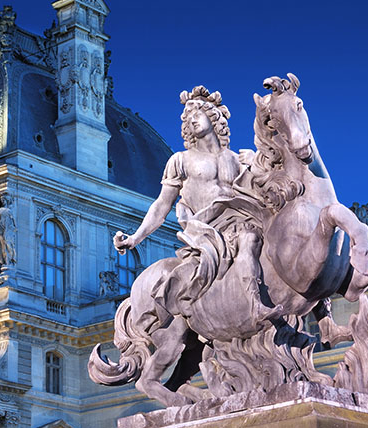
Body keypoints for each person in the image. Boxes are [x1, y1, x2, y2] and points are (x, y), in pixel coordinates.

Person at [114, 86, 277, 320]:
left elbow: (265, 195)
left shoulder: (237, 160)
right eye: (188, 121)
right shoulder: (181, 160)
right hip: (206, 231)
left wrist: (259, 166)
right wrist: (135, 238)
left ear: (213, 117)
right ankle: (255, 306)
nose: (192, 122)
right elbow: (162, 205)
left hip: (240, 222)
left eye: (196, 116)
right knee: (248, 240)